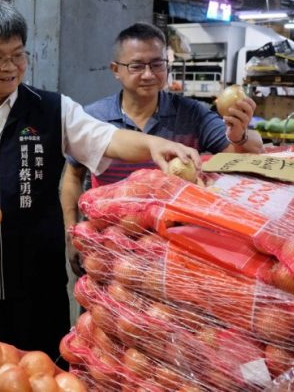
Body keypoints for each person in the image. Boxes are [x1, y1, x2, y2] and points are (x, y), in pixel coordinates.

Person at [0, 0, 200, 363]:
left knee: (45, 374)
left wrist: (152, 144)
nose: (11, 67)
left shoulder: (52, 108)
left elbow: (108, 139)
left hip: (37, 284)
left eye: (18, 55)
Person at [60, 22, 263, 275]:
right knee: (104, 311)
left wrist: (239, 135)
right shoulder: (93, 117)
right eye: (137, 66)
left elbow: (243, 158)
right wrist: (72, 234)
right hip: (108, 242)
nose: (148, 74)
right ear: (116, 70)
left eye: (157, 64)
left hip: (174, 249)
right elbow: (73, 176)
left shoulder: (192, 114)